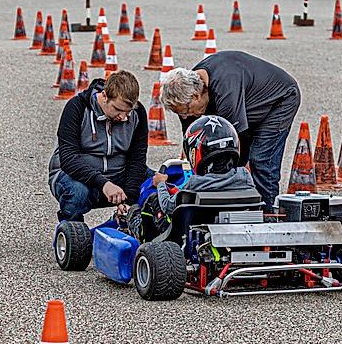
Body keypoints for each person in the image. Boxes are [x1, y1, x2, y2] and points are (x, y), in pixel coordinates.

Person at [160, 51, 300, 211]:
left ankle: (267, 216)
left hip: (280, 99)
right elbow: (192, 141)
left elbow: (232, 144)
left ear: (196, 96)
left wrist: (223, 181)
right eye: (181, 114)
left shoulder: (225, 90)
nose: (186, 117)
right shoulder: (187, 90)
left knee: (261, 161)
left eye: (186, 111)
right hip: (248, 105)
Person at [49, 71, 148, 222]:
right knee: (77, 192)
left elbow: (137, 160)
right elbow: (69, 159)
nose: (123, 117)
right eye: (118, 109)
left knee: (157, 183)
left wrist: (130, 200)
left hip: (118, 174)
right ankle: (72, 228)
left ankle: (141, 227)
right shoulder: (76, 107)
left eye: (128, 111)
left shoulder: (138, 113)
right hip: (77, 176)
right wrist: (104, 184)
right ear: (105, 96)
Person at [152, 115, 256, 217]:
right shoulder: (245, 177)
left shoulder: (195, 184)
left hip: (196, 230)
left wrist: (161, 184)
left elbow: (167, 206)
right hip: (240, 228)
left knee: (151, 201)